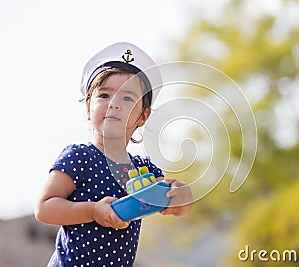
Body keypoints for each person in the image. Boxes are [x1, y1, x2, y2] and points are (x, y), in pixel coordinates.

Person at [35, 42, 193, 267]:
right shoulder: (80, 157)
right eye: (105, 95)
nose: (114, 104)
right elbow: (44, 208)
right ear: (89, 107)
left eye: (127, 98)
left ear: (143, 117)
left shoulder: (143, 170)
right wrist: (93, 210)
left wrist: (182, 193)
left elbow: (177, 203)